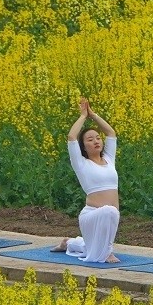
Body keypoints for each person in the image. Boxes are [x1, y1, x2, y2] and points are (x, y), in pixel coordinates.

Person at [52, 98, 120, 263]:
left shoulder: (109, 159)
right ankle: (107, 252)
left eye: (97, 138)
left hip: (110, 216)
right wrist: (83, 116)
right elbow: (71, 137)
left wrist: (93, 115)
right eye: (90, 140)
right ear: (83, 147)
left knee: (92, 246)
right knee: (110, 212)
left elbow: (111, 133)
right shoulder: (81, 164)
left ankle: (68, 242)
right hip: (91, 215)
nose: (96, 141)